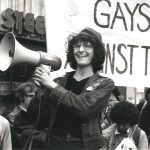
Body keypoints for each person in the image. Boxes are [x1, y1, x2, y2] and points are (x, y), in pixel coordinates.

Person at [14, 27, 114, 150]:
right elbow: (39, 119)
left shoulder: (104, 83)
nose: (81, 50)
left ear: (96, 52)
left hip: (85, 147)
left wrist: (52, 86)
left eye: (87, 46)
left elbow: (84, 109)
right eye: (77, 46)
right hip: (55, 145)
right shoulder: (58, 82)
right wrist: (41, 88)